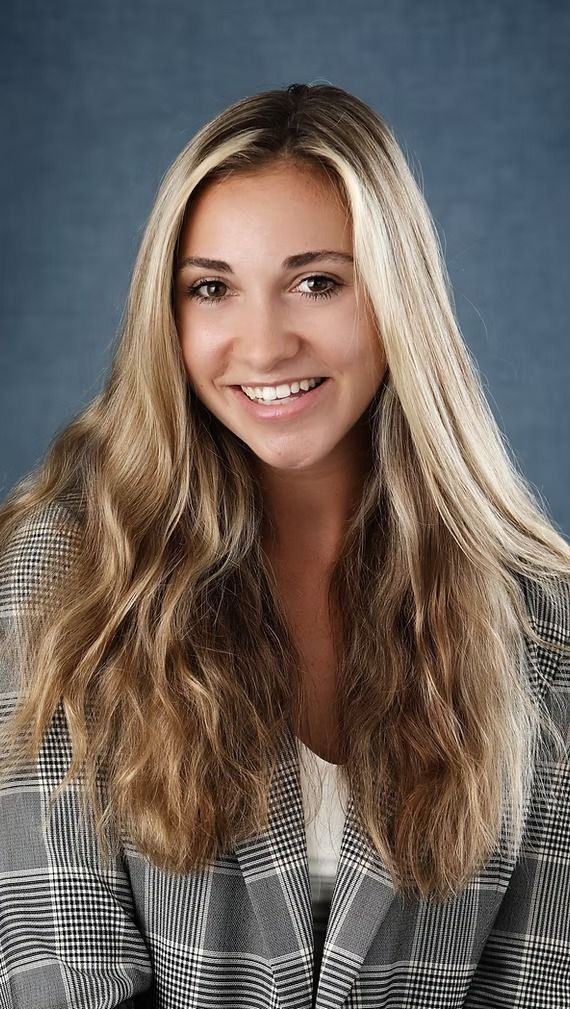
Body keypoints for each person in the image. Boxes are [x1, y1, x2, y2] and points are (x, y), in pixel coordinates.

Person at [0, 82, 568, 1009]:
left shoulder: (540, 614)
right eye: (212, 289)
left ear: (397, 299)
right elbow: (57, 969)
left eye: (317, 282)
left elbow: (544, 975)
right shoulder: (67, 578)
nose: (262, 345)